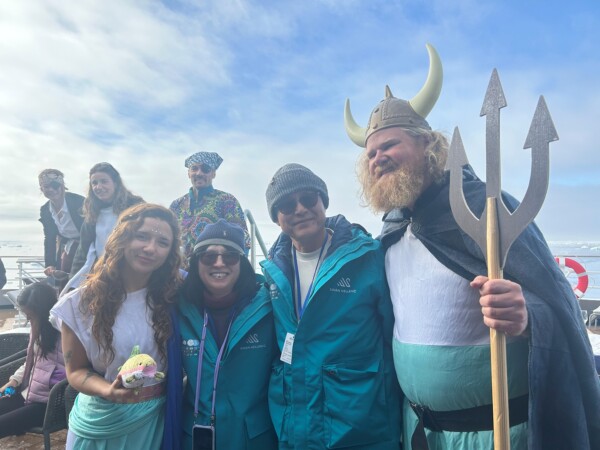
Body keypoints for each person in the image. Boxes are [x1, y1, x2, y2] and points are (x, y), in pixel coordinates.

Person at [345, 44, 600, 449]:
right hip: (418, 431)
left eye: (390, 145)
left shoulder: (486, 208)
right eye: (371, 153)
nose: (378, 158)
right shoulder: (391, 231)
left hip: (495, 433)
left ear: (428, 145)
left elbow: (557, 302)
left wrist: (527, 315)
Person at [261, 163, 401, 449]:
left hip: (360, 429)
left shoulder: (367, 257)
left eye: (308, 198)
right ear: (276, 218)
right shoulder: (272, 273)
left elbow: (395, 335)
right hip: (295, 429)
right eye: (287, 205)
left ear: (323, 202)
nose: (300, 209)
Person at [51, 203, 182, 449]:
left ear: (170, 253)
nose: (150, 248)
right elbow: (76, 371)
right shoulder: (79, 304)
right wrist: (108, 390)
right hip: (97, 422)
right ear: (122, 238)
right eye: (142, 236)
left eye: (163, 243)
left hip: (154, 421)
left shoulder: (174, 298)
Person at [168, 219, 277, 449]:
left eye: (230, 256)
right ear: (196, 262)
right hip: (195, 438)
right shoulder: (177, 307)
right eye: (208, 256)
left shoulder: (269, 306)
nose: (219, 263)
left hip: (253, 440)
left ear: (242, 263)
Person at [64, 162, 144, 293]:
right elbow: (83, 252)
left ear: (115, 183)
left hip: (132, 273)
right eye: (94, 183)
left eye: (104, 181)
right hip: (102, 274)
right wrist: (72, 284)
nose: (98, 187)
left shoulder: (136, 206)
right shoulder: (92, 212)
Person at [0, 282, 66, 438]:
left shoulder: (66, 336)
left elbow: (75, 372)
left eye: (30, 316)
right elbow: (31, 362)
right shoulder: (38, 330)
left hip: (49, 405)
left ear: (43, 313)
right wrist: (13, 382)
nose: (28, 320)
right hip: (28, 394)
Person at [170, 151, 250, 262]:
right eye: (194, 168)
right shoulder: (176, 205)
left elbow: (242, 239)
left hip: (214, 267)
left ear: (213, 174)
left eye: (205, 169)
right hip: (179, 269)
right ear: (188, 173)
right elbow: (167, 238)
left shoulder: (227, 200)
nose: (199, 173)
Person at [38, 169, 85, 290]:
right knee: (64, 284)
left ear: (62, 186)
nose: (51, 189)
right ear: (41, 188)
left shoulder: (79, 202)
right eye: (46, 186)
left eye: (55, 185)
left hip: (87, 246)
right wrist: (50, 264)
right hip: (67, 247)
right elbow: (49, 238)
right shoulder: (45, 210)